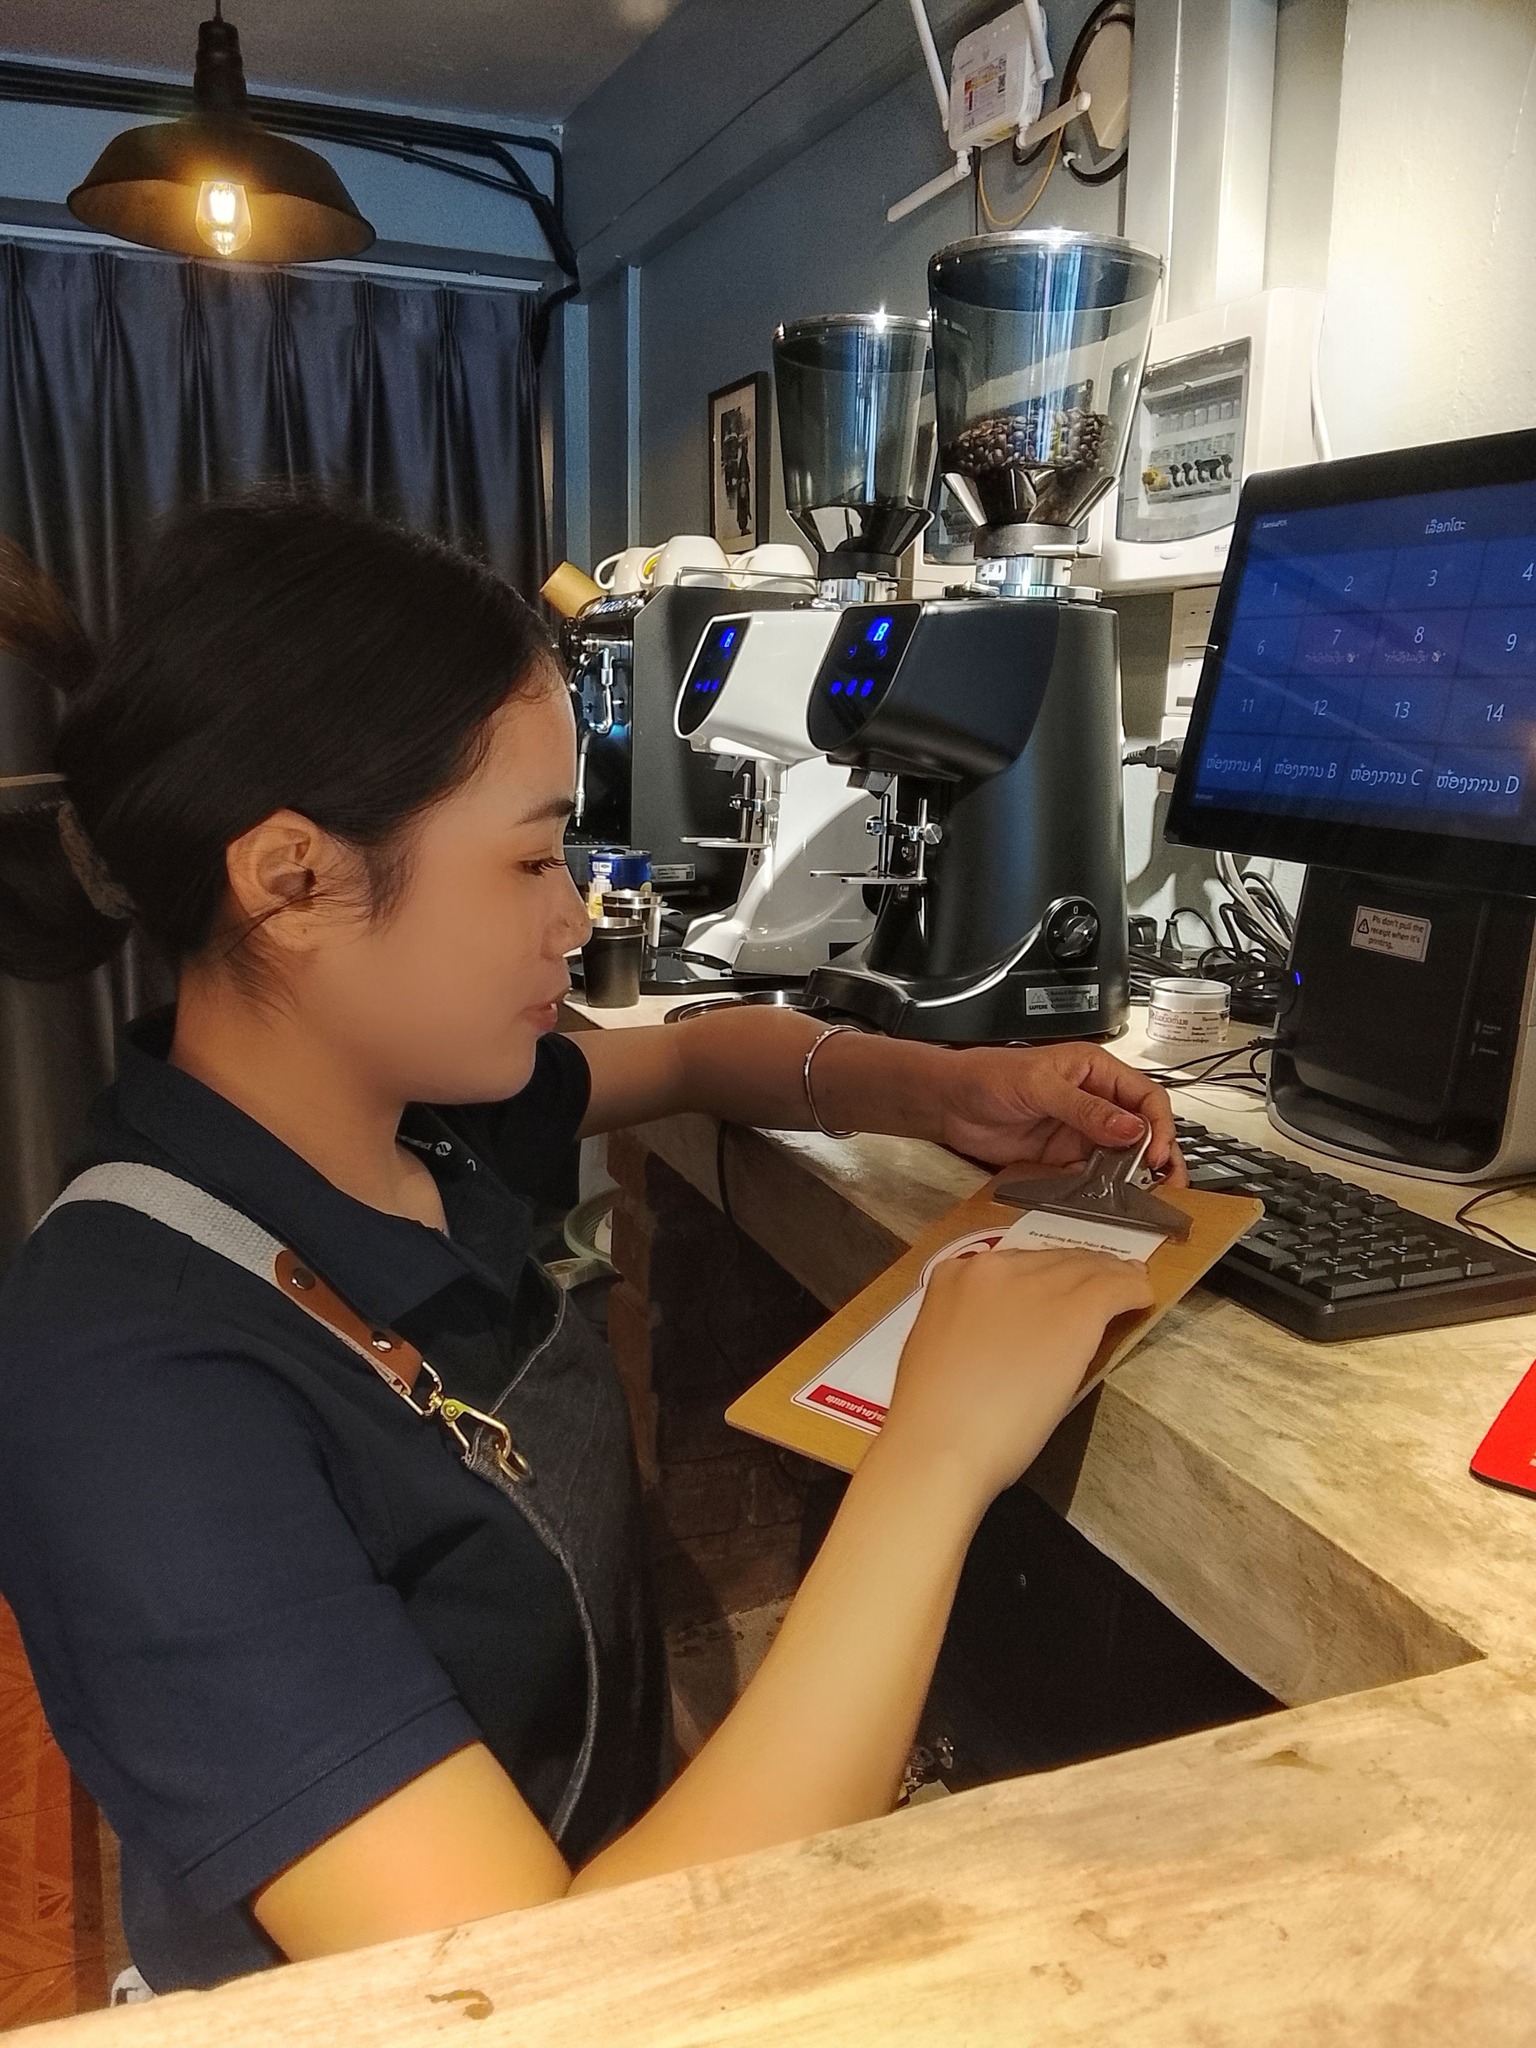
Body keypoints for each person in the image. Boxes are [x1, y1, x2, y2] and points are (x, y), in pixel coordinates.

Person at [0, 500, 1179, 1994]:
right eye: (530, 862)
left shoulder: (404, 1121)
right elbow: (547, 2000)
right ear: (293, 880)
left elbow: (698, 1060)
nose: (576, 917)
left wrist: (944, 1088)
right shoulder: (129, 1387)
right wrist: (935, 1456)